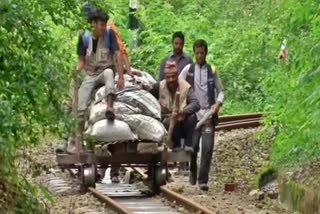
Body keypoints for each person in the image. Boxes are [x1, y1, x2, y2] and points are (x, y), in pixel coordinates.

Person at [179, 39, 224, 191]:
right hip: (193, 115)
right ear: (194, 53)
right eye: (197, 53)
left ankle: (203, 180)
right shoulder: (188, 69)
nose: (199, 56)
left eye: (202, 53)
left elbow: (221, 90)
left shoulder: (212, 70)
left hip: (208, 115)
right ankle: (192, 169)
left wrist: (218, 104)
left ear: (206, 53)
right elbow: (179, 86)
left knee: (207, 147)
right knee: (193, 147)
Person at [146, 61, 200, 152]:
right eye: (168, 77)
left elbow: (196, 104)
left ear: (177, 75)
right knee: (168, 120)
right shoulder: (158, 86)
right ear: (165, 77)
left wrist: (182, 112)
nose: (171, 79)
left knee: (192, 117)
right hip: (167, 124)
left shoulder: (185, 86)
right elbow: (148, 99)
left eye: (173, 77)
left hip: (182, 122)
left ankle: (188, 144)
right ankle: (175, 145)